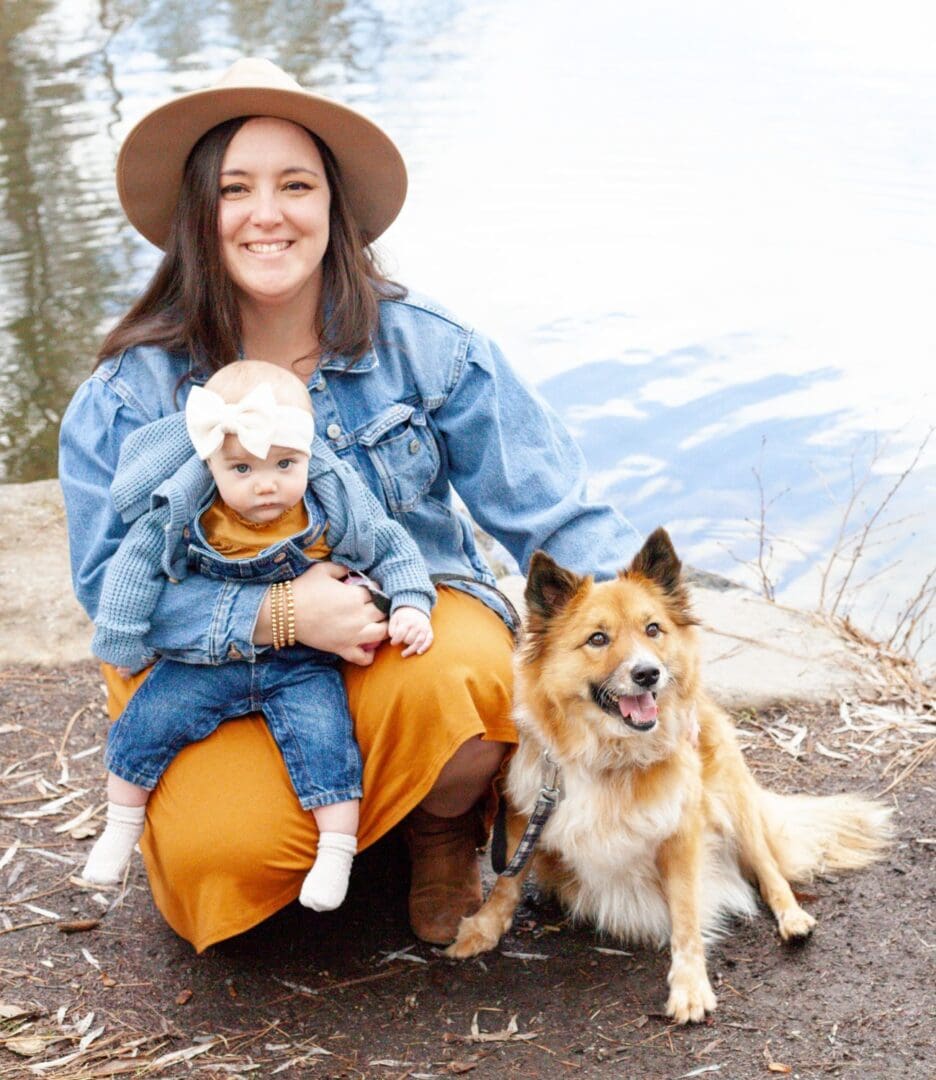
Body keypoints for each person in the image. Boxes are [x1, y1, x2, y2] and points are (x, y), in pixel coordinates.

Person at [59, 57, 642, 953]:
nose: (268, 213)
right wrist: (280, 613)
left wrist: (649, 644)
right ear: (197, 217)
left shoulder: (428, 348)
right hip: (215, 663)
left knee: (469, 674)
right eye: (235, 189)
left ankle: (440, 822)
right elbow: (109, 589)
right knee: (225, 859)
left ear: (334, 207)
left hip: (396, 640)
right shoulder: (130, 395)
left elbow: (556, 521)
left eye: (296, 184)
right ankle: (328, 814)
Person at [81, 359, 435, 914]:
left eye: (284, 463)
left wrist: (413, 601)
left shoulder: (332, 497)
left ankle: (334, 853)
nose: (266, 484)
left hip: (301, 661)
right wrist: (124, 641)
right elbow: (132, 570)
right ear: (212, 463)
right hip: (205, 657)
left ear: (308, 455)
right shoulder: (187, 506)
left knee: (326, 743)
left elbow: (390, 546)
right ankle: (119, 828)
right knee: (146, 723)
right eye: (241, 469)